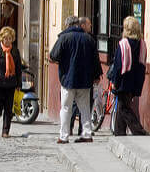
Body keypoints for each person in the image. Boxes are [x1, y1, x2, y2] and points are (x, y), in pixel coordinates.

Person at [50, 15, 102, 144]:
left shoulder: (64, 38)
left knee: (66, 108)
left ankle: (64, 136)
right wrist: (96, 76)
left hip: (68, 79)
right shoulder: (89, 39)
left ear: (68, 25)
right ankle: (87, 134)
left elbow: (53, 56)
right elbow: (95, 60)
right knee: (84, 108)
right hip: (85, 80)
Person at [107, 16, 148, 136]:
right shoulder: (142, 44)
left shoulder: (123, 44)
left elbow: (119, 65)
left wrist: (115, 81)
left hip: (124, 79)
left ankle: (138, 130)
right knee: (122, 104)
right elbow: (142, 64)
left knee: (124, 107)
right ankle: (119, 132)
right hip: (136, 79)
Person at [0, 26, 22, 138]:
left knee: (8, 109)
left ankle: (5, 131)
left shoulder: (15, 51)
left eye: (10, 38)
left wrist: (19, 84)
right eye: (5, 38)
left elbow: (18, 69)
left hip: (11, 84)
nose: (7, 41)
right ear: (1, 38)